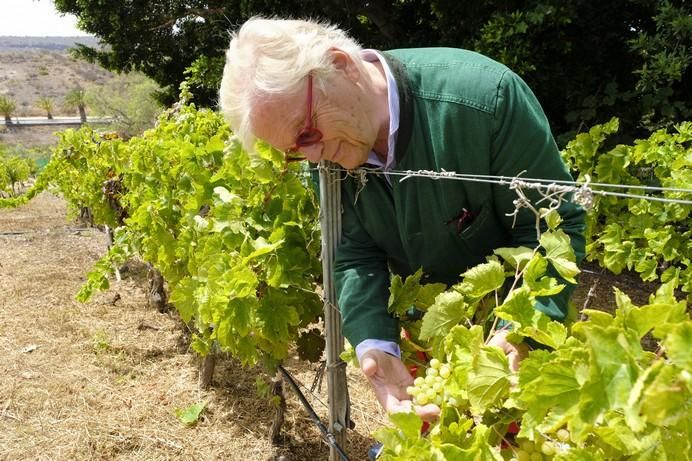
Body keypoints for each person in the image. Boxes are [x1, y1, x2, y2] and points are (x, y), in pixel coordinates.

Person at [218, 17, 585, 423]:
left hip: (514, 335)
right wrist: (374, 344)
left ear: (340, 65)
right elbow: (355, 253)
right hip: (428, 333)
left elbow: (556, 229)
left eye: (306, 135)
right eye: (294, 152)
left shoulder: (486, 100)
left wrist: (522, 331)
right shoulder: (326, 155)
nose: (314, 158)